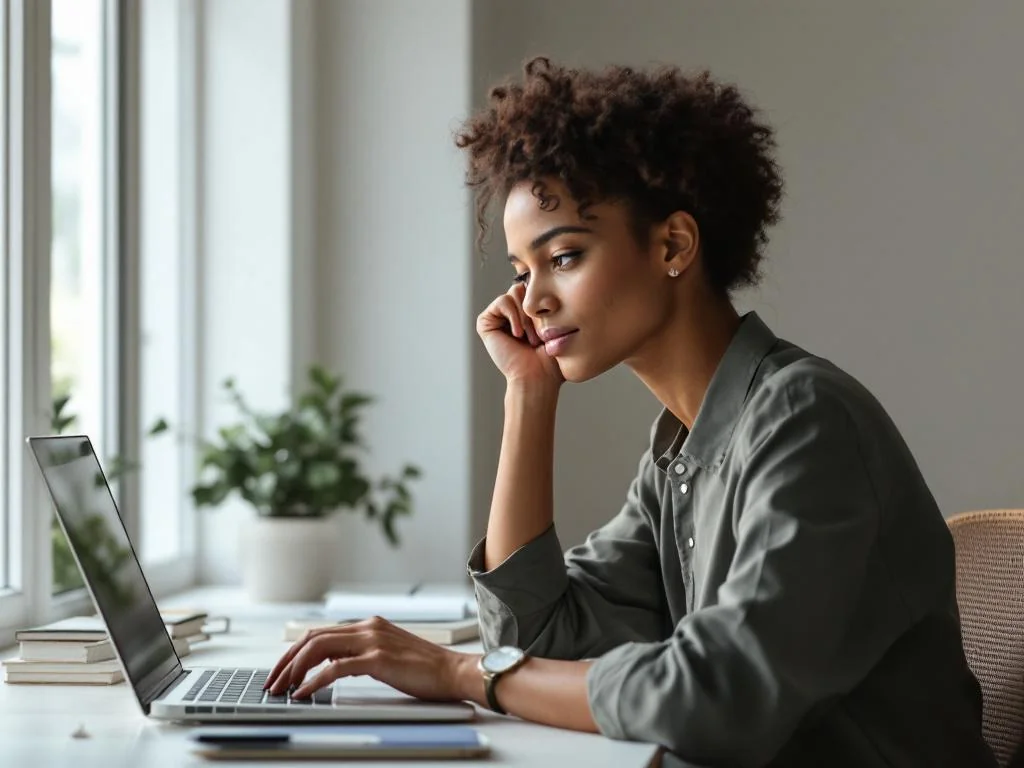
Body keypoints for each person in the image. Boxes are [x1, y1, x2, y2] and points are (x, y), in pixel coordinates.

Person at [265, 57, 995, 767]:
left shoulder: (804, 420)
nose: (531, 300)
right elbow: (534, 642)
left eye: (564, 257)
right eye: (521, 271)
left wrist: (461, 674)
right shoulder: (681, 452)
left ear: (672, 244)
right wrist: (528, 393)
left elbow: (717, 697)